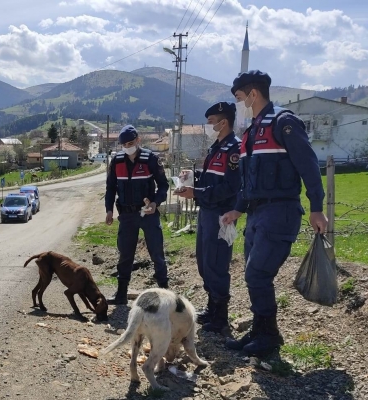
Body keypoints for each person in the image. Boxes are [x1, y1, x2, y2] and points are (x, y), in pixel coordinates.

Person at [221, 70, 328, 356]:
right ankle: (261, 331)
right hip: (257, 214)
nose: (239, 103)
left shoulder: (284, 122)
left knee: (258, 273)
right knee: (253, 274)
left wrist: (317, 207)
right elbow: (248, 181)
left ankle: (268, 337)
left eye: (240, 97)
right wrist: (237, 210)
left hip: (280, 211)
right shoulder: (252, 131)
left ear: (253, 94)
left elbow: (308, 165)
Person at [175, 102, 241, 334]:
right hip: (207, 212)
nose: (209, 126)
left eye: (211, 122)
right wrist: (192, 177)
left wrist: (197, 193)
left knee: (216, 264)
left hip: (222, 215)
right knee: (205, 264)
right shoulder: (217, 147)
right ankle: (212, 308)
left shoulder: (235, 149)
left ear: (224, 122)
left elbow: (231, 187)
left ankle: (221, 317)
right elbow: (211, 177)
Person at [104, 125, 170, 304]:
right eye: (124, 144)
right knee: (125, 255)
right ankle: (121, 295)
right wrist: (109, 209)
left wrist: (156, 203)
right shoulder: (116, 162)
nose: (128, 146)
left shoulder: (150, 159)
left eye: (131, 143)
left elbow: (164, 185)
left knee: (156, 253)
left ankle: (165, 295)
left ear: (138, 140)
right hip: (126, 216)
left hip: (148, 214)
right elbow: (110, 188)